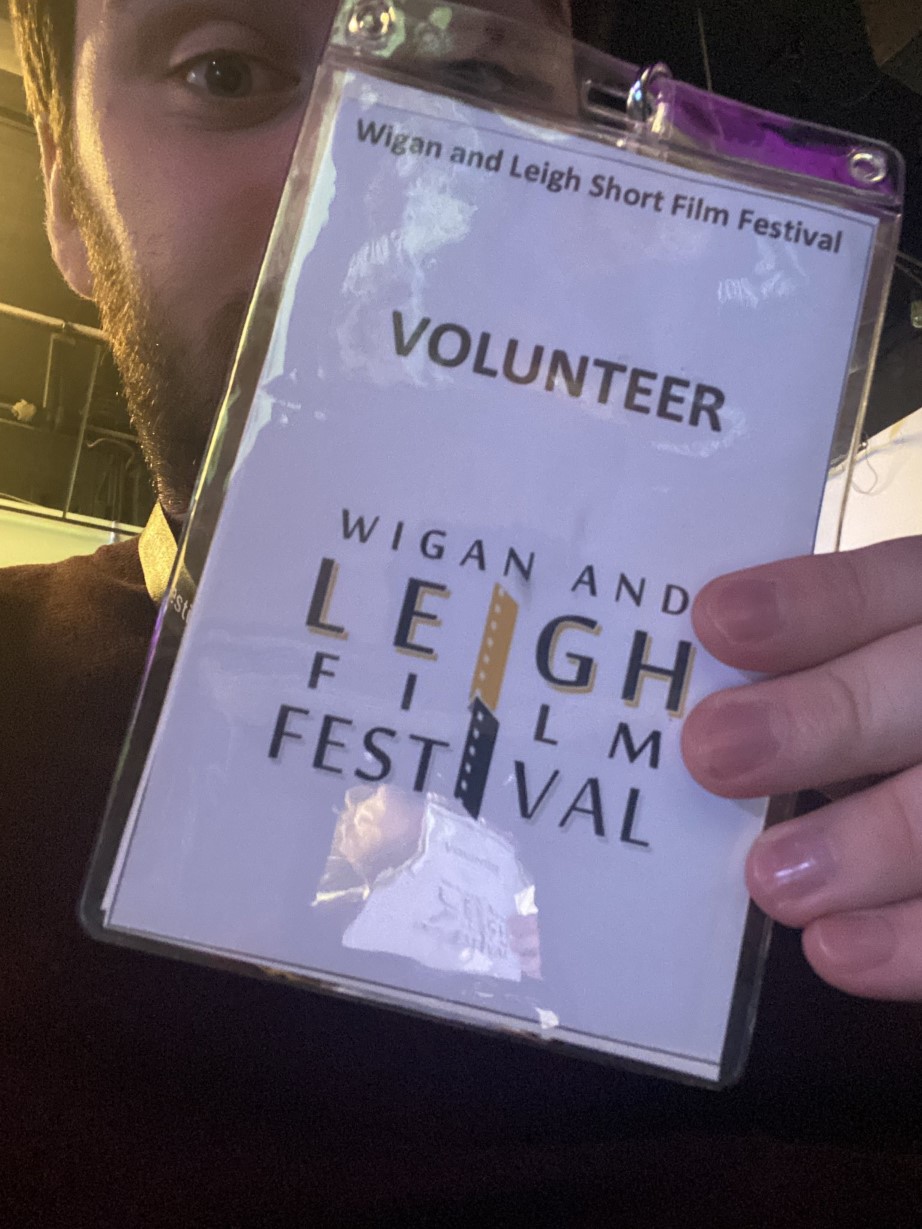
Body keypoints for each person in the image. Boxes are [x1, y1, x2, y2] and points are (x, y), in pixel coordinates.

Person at [2, 0, 922, 1222]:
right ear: (67, 196)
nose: (365, 165)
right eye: (221, 73)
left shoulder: (843, 792)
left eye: (472, 80)